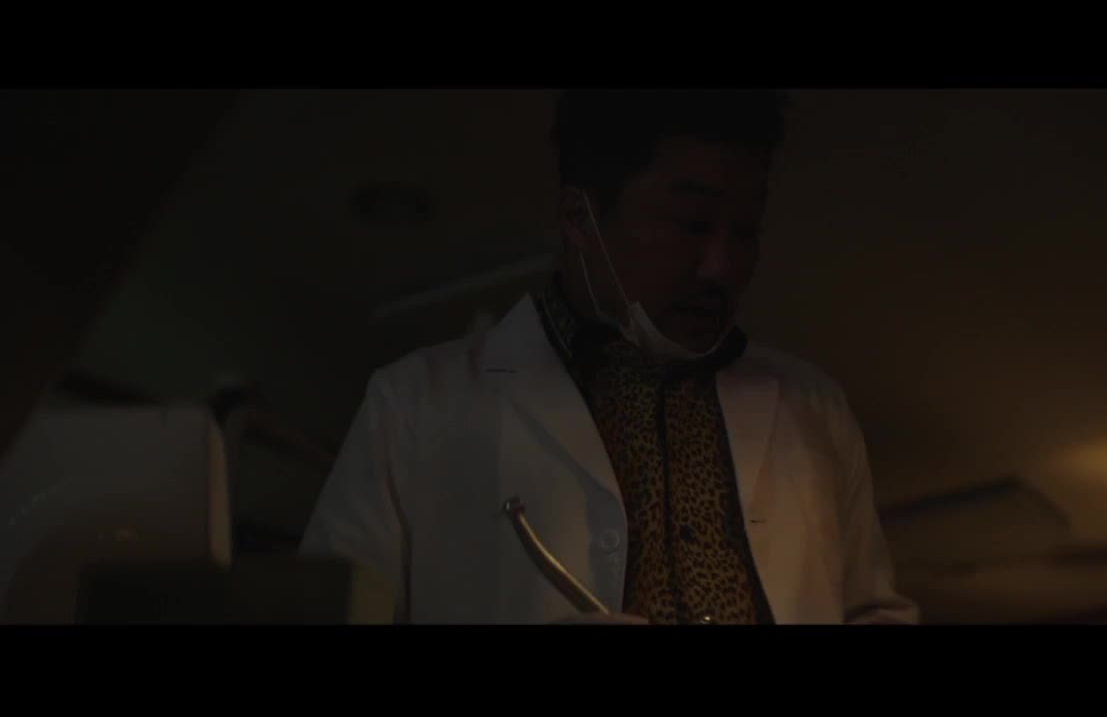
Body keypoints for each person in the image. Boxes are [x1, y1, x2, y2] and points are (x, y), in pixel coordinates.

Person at [300, 89, 919, 625]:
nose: (723, 267)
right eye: (692, 223)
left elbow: (873, 611)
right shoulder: (412, 407)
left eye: (747, 229)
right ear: (580, 218)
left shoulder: (817, 411)